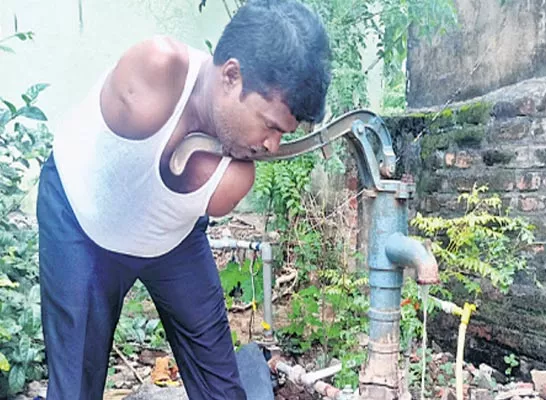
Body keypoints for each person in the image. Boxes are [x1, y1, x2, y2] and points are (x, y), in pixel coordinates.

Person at [35, 0, 331, 398]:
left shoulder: (234, 177)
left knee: (222, 389)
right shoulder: (156, 70)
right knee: (74, 389)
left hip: (168, 235)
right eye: (270, 126)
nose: (272, 145)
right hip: (80, 218)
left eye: (283, 135)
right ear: (231, 75)